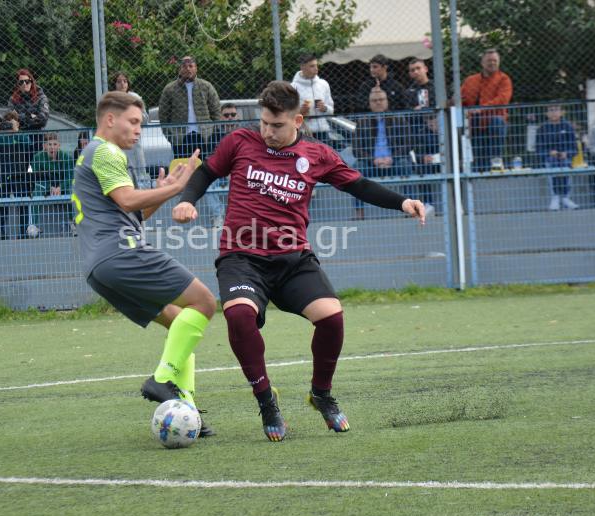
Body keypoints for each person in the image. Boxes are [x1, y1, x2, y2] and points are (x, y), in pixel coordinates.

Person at [172, 81, 429, 442]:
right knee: (239, 316)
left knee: (332, 318)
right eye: (264, 122)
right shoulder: (240, 142)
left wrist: (403, 202)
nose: (268, 131)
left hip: (292, 260)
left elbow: (358, 185)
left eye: (277, 125)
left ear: (298, 120)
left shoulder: (317, 154)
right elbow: (205, 173)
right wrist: (187, 200)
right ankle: (266, 401)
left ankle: (321, 394)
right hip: (241, 258)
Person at [72, 91, 217, 436]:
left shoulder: (93, 155)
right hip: (122, 252)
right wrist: (178, 188)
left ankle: (185, 408)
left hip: (99, 268)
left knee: (180, 325)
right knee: (204, 302)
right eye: (134, 122)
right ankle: (162, 380)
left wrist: (162, 189)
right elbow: (127, 200)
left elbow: (133, 213)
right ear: (110, 119)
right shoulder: (105, 151)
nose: (139, 130)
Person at [351, 88, 411, 220]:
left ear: (387, 101)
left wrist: (392, 158)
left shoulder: (399, 119)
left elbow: (408, 144)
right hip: (371, 163)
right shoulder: (362, 122)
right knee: (357, 169)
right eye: (374, 100)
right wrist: (373, 159)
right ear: (370, 104)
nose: (378, 102)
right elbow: (356, 149)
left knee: (405, 164)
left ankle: (408, 207)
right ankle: (359, 212)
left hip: (394, 162)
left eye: (381, 99)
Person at [158, 55, 221, 159]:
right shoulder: (170, 89)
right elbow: (163, 116)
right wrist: (171, 137)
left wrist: (213, 133)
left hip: (204, 135)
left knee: (204, 166)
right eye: (184, 66)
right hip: (180, 137)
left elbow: (216, 111)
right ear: (179, 69)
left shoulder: (206, 86)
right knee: (182, 166)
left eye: (191, 66)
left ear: (196, 68)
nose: (188, 69)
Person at [460, 49, 513, 171]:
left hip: (493, 120)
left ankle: (496, 162)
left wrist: (481, 109)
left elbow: (503, 99)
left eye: (495, 60)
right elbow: (462, 98)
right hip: (474, 122)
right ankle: (478, 169)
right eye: (489, 60)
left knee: (497, 121)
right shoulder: (470, 80)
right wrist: (452, 101)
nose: (492, 63)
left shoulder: (504, 79)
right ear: (482, 63)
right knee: (478, 157)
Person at [0, 111, 33, 239]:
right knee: (2, 203)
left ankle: (24, 231)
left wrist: (15, 131)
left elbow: (28, 145)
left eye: (11, 122)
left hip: (20, 175)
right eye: (6, 123)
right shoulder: (0, 138)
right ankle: (0, 231)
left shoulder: (22, 136)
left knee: (23, 203)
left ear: (18, 123)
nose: (8, 125)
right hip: (3, 175)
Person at [111, 71, 150, 189]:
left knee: (139, 167)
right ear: (114, 84)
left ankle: (142, 186)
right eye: (119, 81)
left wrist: (134, 115)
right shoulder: (111, 100)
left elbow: (145, 118)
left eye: (125, 81)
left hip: (134, 140)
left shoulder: (135, 98)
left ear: (128, 83)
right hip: (118, 139)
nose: (122, 84)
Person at [536, 104, 578, 211]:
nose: (554, 112)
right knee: (553, 164)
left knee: (565, 164)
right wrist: (549, 153)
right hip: (550, 159)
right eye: (551, 110)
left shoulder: (568, 126)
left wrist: (566, 153)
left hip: (565, 159)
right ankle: (555, 197)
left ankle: (565, 197)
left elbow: (574, 148)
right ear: (546, 113)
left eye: (556, 110)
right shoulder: (542, 128)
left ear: (562, 112)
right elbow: (539, 150)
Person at [31, 132, 74, 236]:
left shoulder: (67, 157)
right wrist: (50, 187)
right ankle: (33, 225)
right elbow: (35, 176)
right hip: (45, 185)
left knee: (71, 192)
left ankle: (72, 222)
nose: (52, 147)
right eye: (49, 144)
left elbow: (69, 176)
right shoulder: (37, 157)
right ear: (44, 146)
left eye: (54, 144)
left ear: (59, 145)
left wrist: (60, 187)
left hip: (62, 185)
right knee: (36, 192)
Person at [290, 53, 334, 144]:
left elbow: (331, 110)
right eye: (312, 66)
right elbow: (288, 114)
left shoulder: (323, 84)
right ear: (302, 67)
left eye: (316, 65)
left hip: (323, 131)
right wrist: (300, 112)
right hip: (304, 132)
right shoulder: (293, 87)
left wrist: (325, 108)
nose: (316, 69)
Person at [8, 68, 49, 151]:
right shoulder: (13, 99)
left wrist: (20, 117)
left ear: (31, 82)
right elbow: (11, 118)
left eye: (27, 81)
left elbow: (43, 119)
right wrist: (30, 116)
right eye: (21, 82)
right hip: (19, 135)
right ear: (17, 84)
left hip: (36, 135)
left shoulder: (41, 97)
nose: (24, 84)